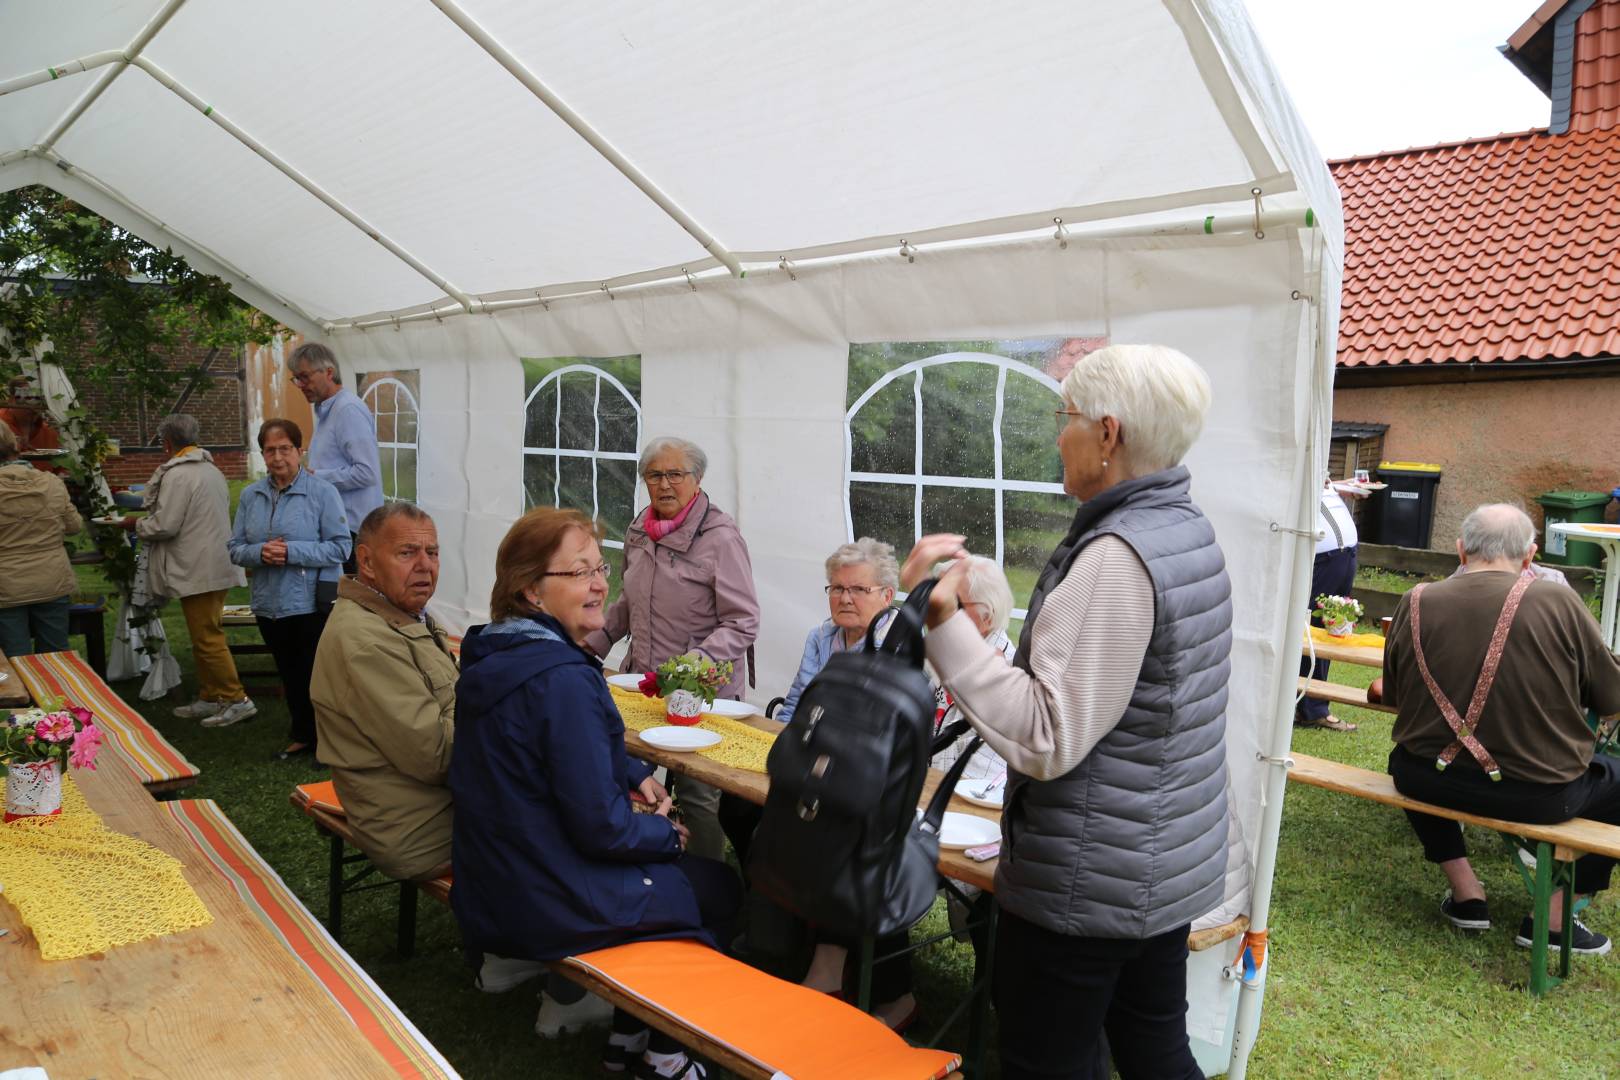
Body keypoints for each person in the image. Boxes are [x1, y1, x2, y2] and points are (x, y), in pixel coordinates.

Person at [903, 344, 1232, 1080]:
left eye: (1067, 418)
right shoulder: (1184, 528)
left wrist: (944, 620)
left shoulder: (1117, 557)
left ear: (1108, 434)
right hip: (1153, 857)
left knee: (1046, 1062)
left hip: (1088, 880)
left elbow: (1047, 735)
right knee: (1152, 1045)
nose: (1059, 435)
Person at [452, 507, 741, 1078]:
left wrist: (633, 775)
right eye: (579, 571)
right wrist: (668, 833)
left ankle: (627, 1040)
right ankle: (666, 1055)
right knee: (718, 888)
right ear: (532, 591)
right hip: (547, 894)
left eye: (600, 567)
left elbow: (553, 757)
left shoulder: (497, 654)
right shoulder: (561, 678)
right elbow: (602, 828)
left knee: (689, 877)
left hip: (496, 877)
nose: (599, 582)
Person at [1377, 503, 1620, 956]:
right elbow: (1611, 699)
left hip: (1424, 779)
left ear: (1460, 550)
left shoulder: (1415, 599)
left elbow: (1393, 696)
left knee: (1410, 756)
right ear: (1530, 556)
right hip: (1537, 794)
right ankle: (1550, 920)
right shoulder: (1556, 600)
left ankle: (1467, 893)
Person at [585, 436, 760, 861]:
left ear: (697, 479)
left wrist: (692, 665)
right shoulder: (639, 530)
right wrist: (590, 645)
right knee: (624, 776)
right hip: (642, 683)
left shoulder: (720, 537)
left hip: (699, 693)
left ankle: (706, 888)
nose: (664, 484)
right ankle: (645, 864)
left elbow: (743, 620)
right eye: (654, 475)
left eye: (675, 474)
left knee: (698, 796)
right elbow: (628, 599)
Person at [311, 503, 456, 882]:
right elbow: (439, 756)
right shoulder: (365, 639)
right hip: (424, 833)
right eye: (407, 553)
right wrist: (498, 705)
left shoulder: (399, 610)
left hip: (435, 806)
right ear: (368, 562)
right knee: (569, 822)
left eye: (433, 552)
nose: (425, 565)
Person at [228, 420, 350, 761]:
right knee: (289, 672)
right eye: (270, 450)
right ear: (263, 454)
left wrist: (291, 551)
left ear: (300, 451)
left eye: (285, 449)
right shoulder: (252, 496)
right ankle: (301, 735)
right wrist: (260, 553)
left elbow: (341, 548)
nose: (278, 456)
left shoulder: (322, 493)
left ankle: (329, 743)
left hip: (310, 602)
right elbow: (236, 547)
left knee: (317, 675)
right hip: (269, 604)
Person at [127, 414, 254, 727]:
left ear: (167, 443)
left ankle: (237, 698)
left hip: (199, 566)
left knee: (208, 637)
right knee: (203, 636)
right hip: (210, 561)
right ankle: (211, 696)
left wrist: (134, 524)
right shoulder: (210, 469)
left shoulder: (179, 474)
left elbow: (165, 525)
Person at [774, 537, 900, 724]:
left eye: (858, 589)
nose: (845, 599)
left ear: (887, 596)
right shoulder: (819, 639)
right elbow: (793, 707)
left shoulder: (899, 648)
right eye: (838, 588)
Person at [288, 342, 382, 573]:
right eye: (296, 379)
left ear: (328, 372)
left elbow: (367, 472)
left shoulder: (347, 410)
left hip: (352, 531)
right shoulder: (328, 410)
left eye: (305, 377)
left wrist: (315, 477)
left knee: (347, 605)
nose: (301, 385)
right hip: (338, 529)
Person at [0, 418, 81, 655]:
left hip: (6, 586)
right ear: (14, 445)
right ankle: (56, 692)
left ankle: (23, 693)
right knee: (55, 657)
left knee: (14, 658)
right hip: (51, 580)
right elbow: (74, 526)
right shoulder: (52, 483)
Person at [1297, 478, 1361, 732]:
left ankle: (1312, 705)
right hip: (1324, 558)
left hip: (1343, 555)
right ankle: (1312, 708)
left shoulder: (1319, 467)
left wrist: (1338, 486)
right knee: (1313, 629)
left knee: (1332, 627)